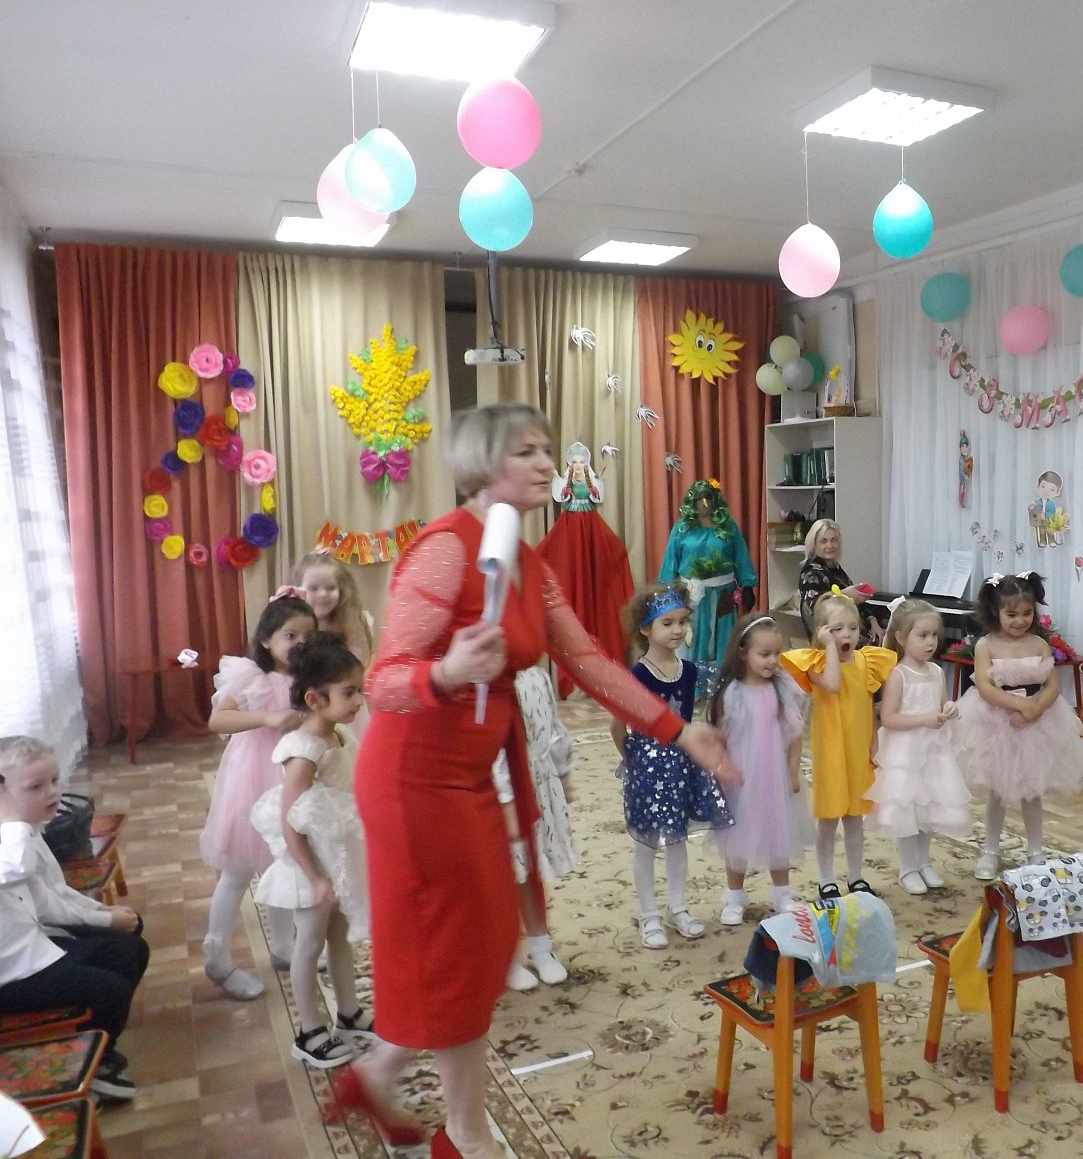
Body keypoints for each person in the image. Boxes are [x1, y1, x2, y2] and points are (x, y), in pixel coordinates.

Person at [335, 403, 733, 1159]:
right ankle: (466, 1132)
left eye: (547, 448)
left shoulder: (527, 561)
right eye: (527, 450)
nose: (547, 463)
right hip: (414, 781)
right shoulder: (444, 550)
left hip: (471, 774)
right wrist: (447, 672)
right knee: (457, 950)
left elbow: (587, 661)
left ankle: (378, 1074)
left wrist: (680, 731)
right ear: (483, 463)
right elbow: (382, 682)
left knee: (488, 941)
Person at [250, 634, 373, 1070]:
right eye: (349, 692)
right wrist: (316, 878)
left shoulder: (338, 735)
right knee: (309, 945)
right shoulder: (303, 751)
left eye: (359, 690)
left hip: (334, 855)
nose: (359, 700)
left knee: (339, 936)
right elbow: (291, 820)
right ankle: (308, 1031)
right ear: (314, 699)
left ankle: (349, 1012)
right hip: (310, 864)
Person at [0, 736, 147, 1101]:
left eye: (54, 780)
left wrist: (103, 915)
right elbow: (15, 869)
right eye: (35, 786)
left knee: (129, 949)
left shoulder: (26, 831)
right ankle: (88, 1069)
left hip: (32, 947)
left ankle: (97, 1043)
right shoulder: (15, 835)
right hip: (10, 973)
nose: (52, 792)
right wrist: (11, 817)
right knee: (110, 990)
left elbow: (51, 896)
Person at [201, 592, 316, 999]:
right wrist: (267, 717)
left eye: (307, 635)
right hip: (252, 777)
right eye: (290, 635)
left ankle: (283, 946)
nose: (299, 643)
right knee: (238, 869)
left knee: (282, 862)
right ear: (266, 639)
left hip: (290, 777)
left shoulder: (310, 678)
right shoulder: (252, 675)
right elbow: (218, 719)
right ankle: (216, 954)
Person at [609, 583, 733, 949]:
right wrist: (633, 760)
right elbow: (617, 726)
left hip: (683, 765)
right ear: (645, 629)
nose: (678, 629)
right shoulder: (637, 676)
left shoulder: (689, 671)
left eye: (682, 621)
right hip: (648, 766)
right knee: (647, 842)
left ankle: (678, 907)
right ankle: (649, 914)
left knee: (678, 839)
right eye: (667, 623)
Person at [954, 574, 1083, 879]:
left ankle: (1035, 851)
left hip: (1038, 722)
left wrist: (1035, 710)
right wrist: (1020, 706)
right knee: (997, 791)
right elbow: (985, 688)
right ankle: (990, 851)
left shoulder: (1038, 643)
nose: (1020, 621)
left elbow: (1052, 685)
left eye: (1027, 613)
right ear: (995, 611)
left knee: (1033, 792)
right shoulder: (986, 645)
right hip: (997, 722)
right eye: (1011, 614)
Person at [782, 590, 896, 897]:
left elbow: (869, 706)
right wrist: (830, 647)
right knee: (830, 818)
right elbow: (833, 683)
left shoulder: (866, 661)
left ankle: (856, 877)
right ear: (821, 632)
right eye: (837, 629)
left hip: (858, 751)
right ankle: (826, 879)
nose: (847, 634)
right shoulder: (816, 663)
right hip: (831, 751)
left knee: (855, 818)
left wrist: (874, 744)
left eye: (853, 628)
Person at [707, 613, 810, 924]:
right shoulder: (732, 693)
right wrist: (719, 770)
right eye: (764, 654)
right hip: (739, 779)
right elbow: (718, 737)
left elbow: (794, 733)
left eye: (777, 653)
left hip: (774, 777)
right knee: (736, 837)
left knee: (779, 832)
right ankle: (734, 896)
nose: (773, 661)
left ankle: (782, 893)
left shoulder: (781, 689)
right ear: (743, 652)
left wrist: (793, 769)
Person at [865, 599, 971, 894]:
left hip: (934, 752)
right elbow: (888, 718)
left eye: (934, 635)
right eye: (922, 636)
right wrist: (924, 719)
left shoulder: (936, 671)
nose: (930, 642)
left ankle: (924, 862)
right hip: (906, 753)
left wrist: (950, 708)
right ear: (901, 638)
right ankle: (907, 867)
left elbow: (941, 704)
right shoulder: (898, 675)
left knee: (929, 809)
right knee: (907, 810)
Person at [536, 441, 635, 698]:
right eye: (575, 462)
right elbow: (560, 497)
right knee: (568, 577)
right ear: (570, 464)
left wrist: (597, 482)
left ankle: (601, 670)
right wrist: (558, 479)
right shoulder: (567, 481)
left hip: (591, 532)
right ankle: (575, 676)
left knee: (599, 576)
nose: (579, 465)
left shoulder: (591, 480)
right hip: (570, 532)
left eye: (582, 461)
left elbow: (597, 497)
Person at [498, 666, 576, 991]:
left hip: (537, 781)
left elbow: (553, 727)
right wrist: (505, 799)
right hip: (500, 790)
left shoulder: (536, 676)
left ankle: (540, 945)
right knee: (504, 874)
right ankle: (506, 956)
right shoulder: (486, 679)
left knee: (531, 867)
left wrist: (564, 771)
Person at [658, 478, 758, 694]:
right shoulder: (682, 528)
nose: (704, 503)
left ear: (715, 500)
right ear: (692, 502)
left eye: (708, 498)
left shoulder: (728, 526)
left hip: (723, 595)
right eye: (699, 498)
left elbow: (741, 556)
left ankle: (723, 688)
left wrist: (748, 585)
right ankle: (692, 688)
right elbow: (670, 562)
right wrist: (668, 592)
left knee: (724, 639)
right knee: (693, 639)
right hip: (692, 596)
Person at [290, 553, 374, 666]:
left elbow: (360, 662)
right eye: (313, 588)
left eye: (330, 588)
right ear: (297, 589)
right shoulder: (289, 622)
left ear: (341, 590)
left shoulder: (350, 621)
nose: (323, 594)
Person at [797, 518, 869, 635]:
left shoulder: (835, 568)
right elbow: (814, 608)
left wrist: (872, 620)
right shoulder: (811, 573)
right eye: (823, 541)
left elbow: (858, 604)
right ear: (814, 544)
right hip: (832, 636)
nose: (830, 545)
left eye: (834, 540)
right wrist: (843, 594)